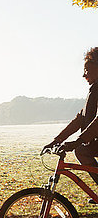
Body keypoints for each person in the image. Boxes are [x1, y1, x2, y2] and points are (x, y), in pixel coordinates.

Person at [43, 47, 98, 189]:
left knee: (82, 150)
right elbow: (81, 118)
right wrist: (57, 140)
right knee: (81, 150)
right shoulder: (94, 90)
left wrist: (79, 141)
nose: (83, 75)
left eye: (86, 70)